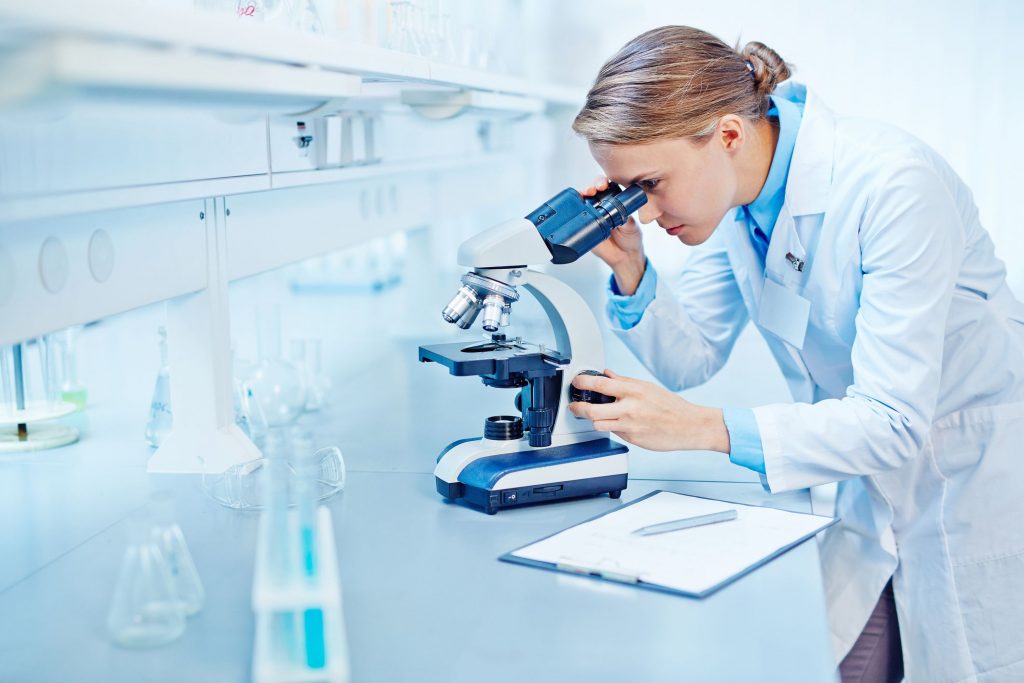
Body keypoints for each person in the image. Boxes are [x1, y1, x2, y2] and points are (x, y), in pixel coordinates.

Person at [566, 25, 1024, 683]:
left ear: (727, 134)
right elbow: (692, 355)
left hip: (971, 486)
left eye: (649, 185)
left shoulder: (893, 186)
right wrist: (633, 270)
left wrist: (700, 428)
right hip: (869, 493)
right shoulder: (742, 203)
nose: (640, 213)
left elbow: (893, 421)